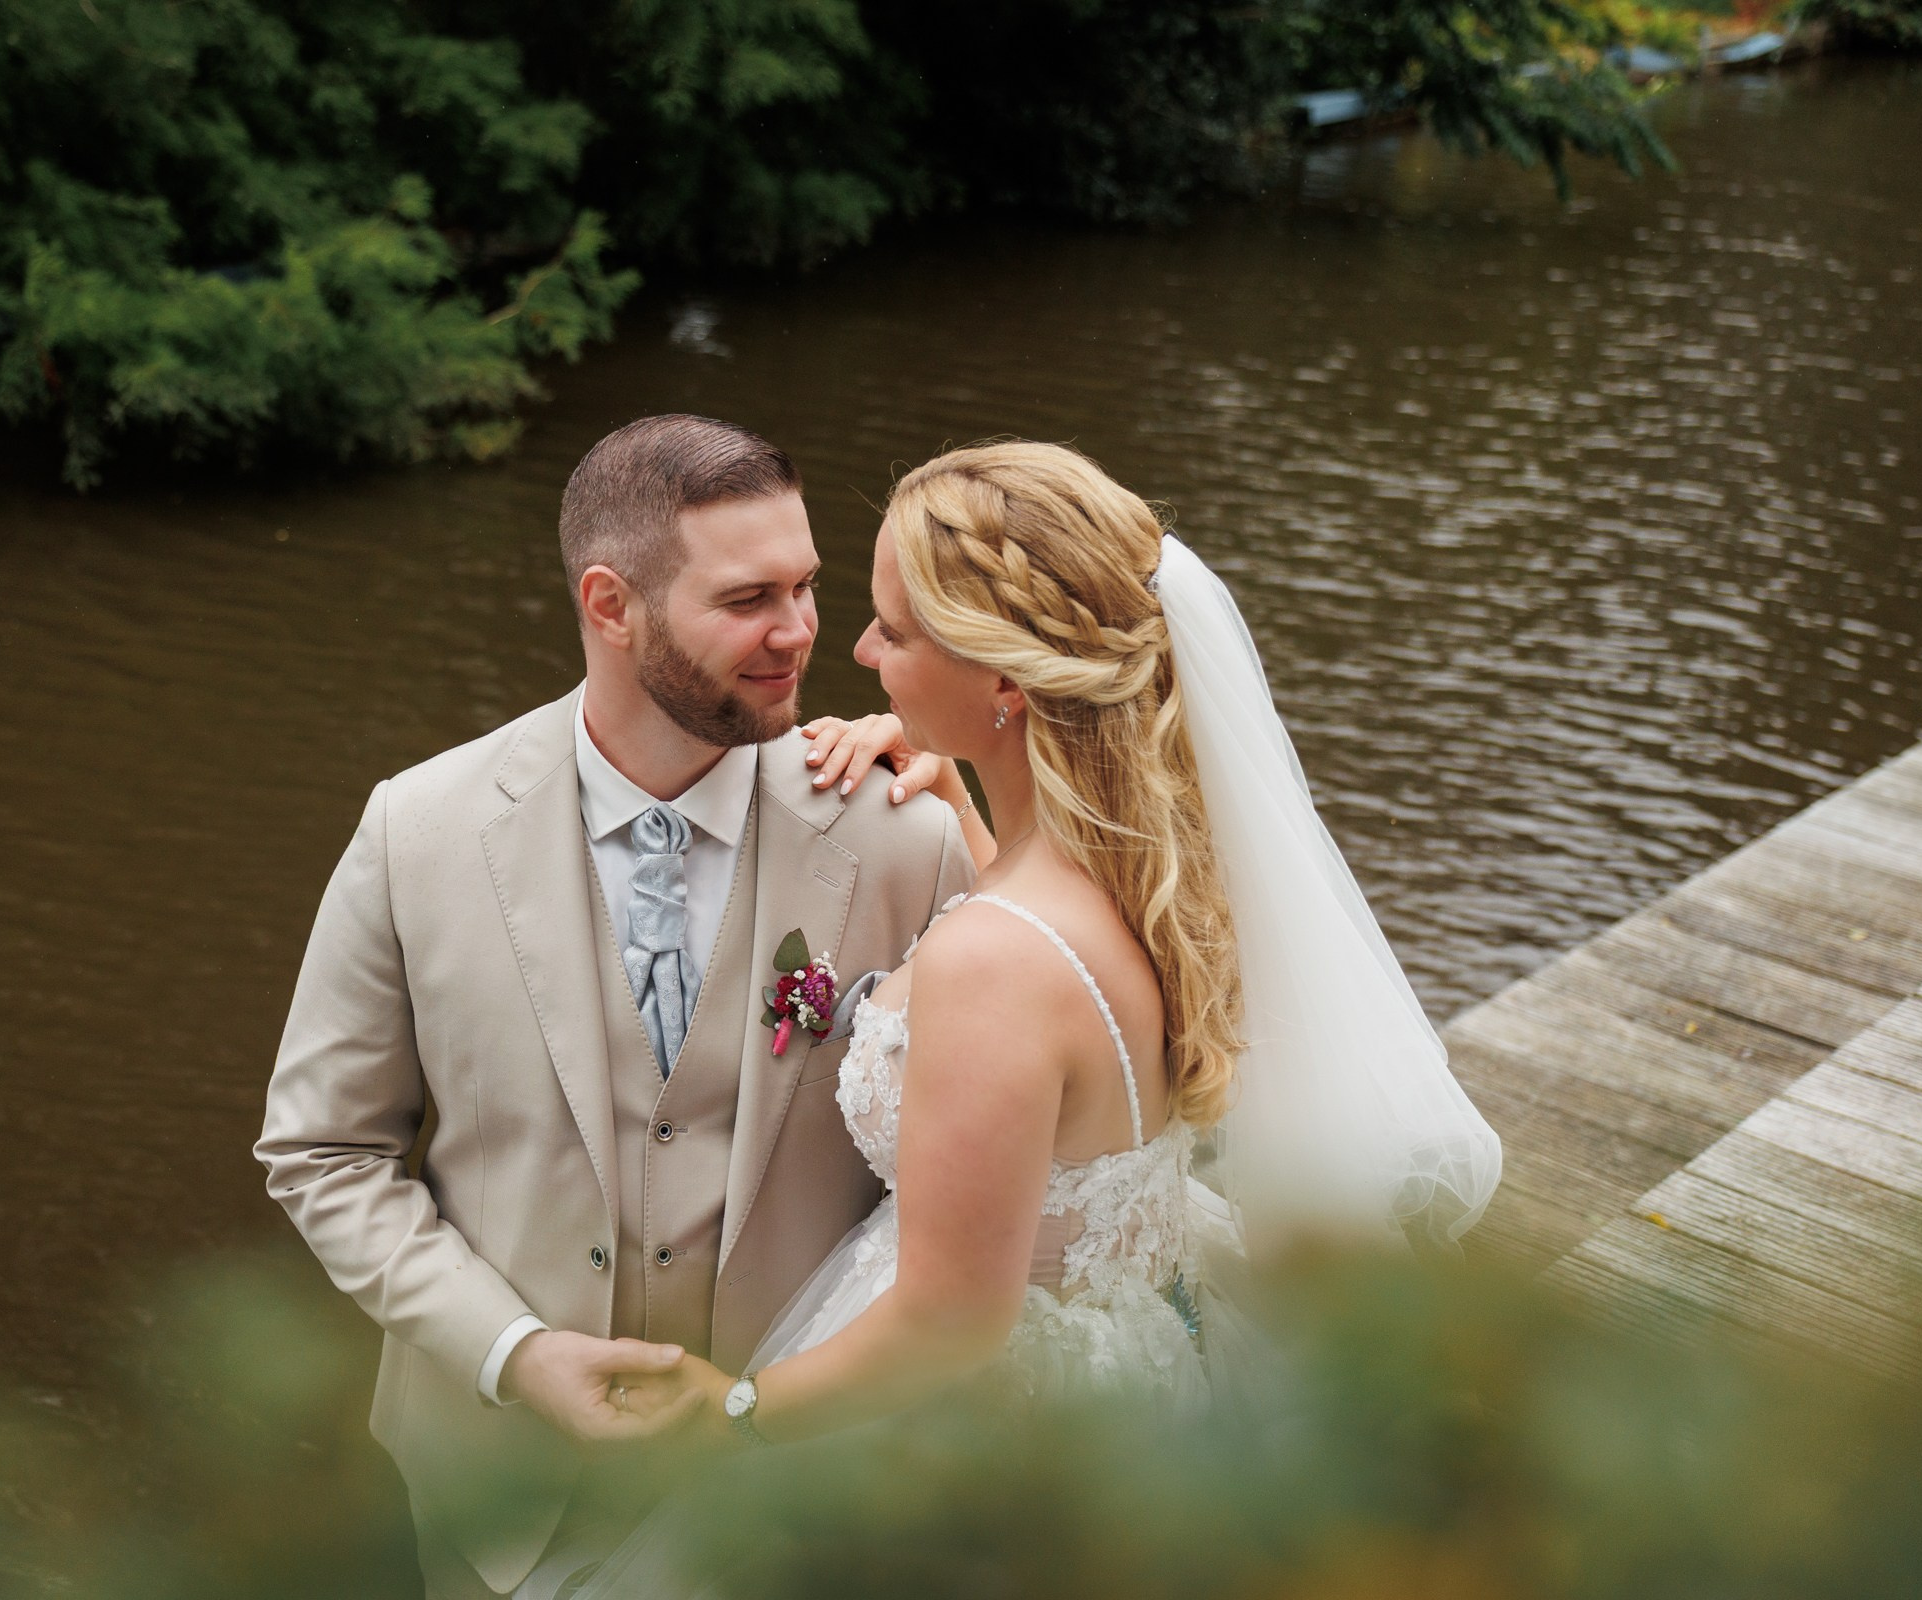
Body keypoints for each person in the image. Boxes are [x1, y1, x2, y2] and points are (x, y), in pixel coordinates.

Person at [577, 441, 1501, 1591]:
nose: (857, 651)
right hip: (1143, 1347)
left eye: (895, 632)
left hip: (993, 1428)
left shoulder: (995, 961)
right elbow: (1060, 996)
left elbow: (951, 1318)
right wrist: (965, 793)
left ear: (1005, 682)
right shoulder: (1148, 871)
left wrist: (736, 1411)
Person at [256, 414, 977, 1600]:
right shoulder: (417, 831)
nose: (800, 630)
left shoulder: (903, 831)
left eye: (805, 585)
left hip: (803, 1496)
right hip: (498, 1497)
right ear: (610, 604)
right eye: (747, 599)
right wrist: (514, 1353)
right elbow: (323, 1151)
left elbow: (1001, 1161)